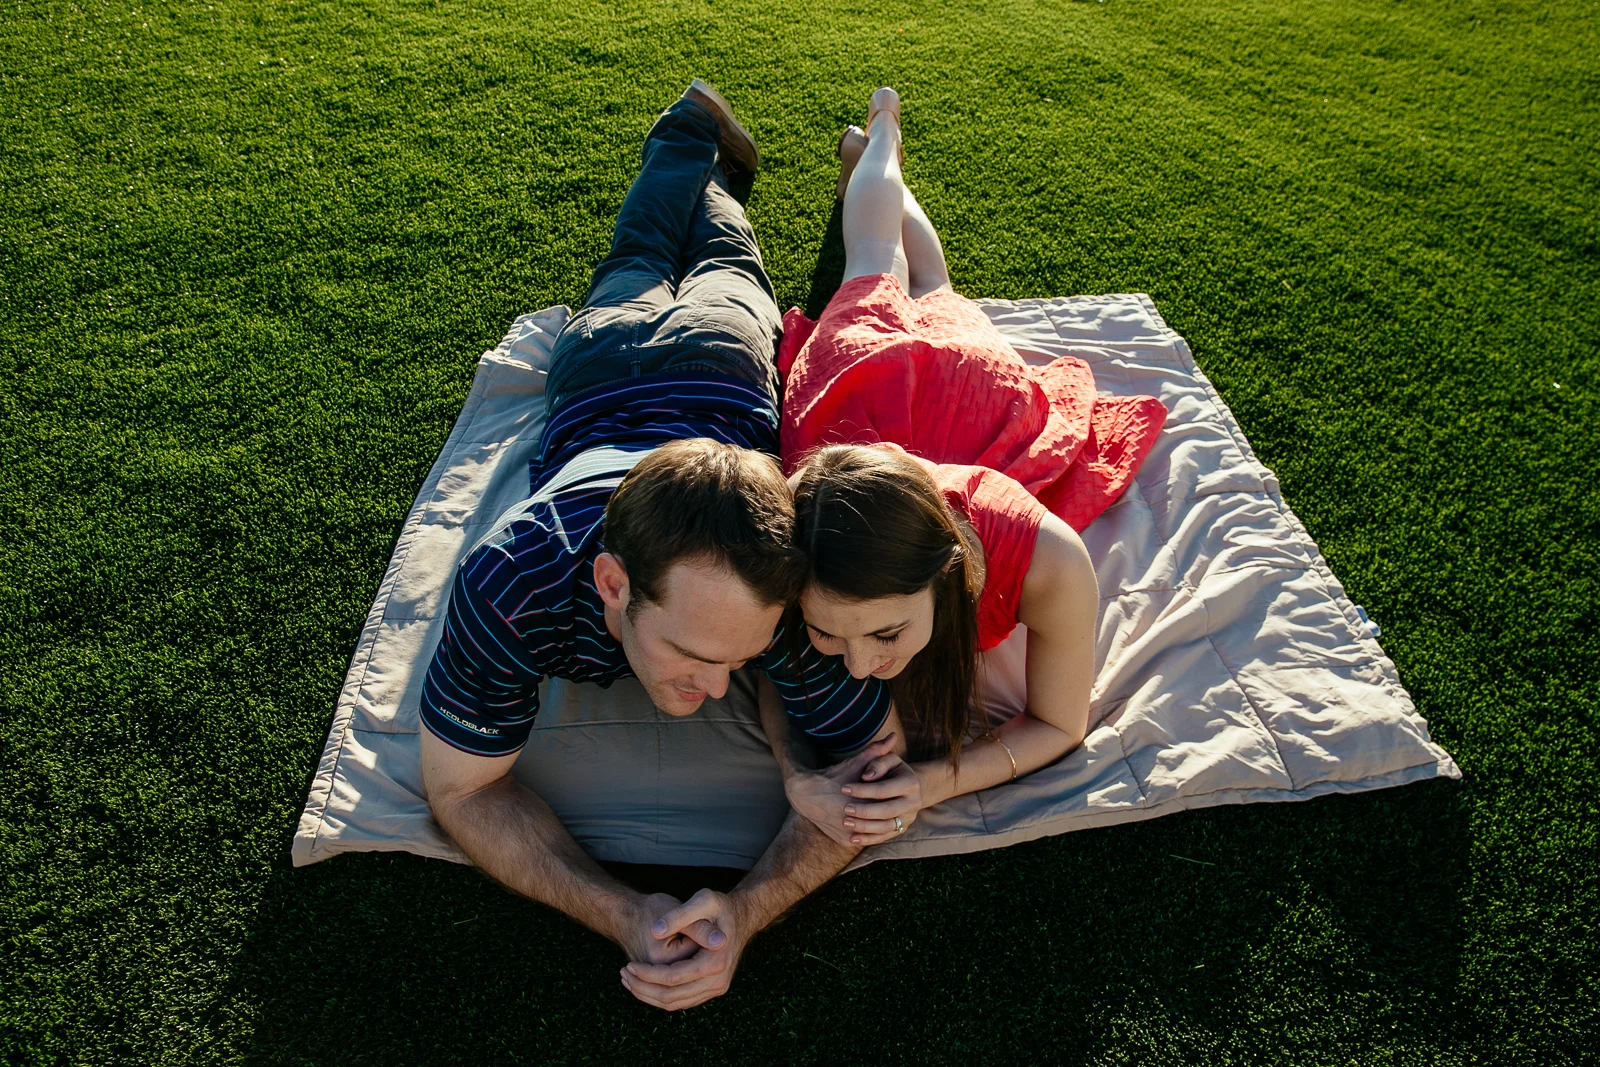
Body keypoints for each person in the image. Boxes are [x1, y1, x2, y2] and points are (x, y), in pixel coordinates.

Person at [418, 81, 910, 1013]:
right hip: (618, 368)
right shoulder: (513, 580)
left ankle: (695, 144)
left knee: (670, 257)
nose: (719, 690)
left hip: (700, 362)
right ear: (612, 581)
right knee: (680, 259)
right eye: (692, 652)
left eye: (739, 659)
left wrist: (749, 912)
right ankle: (694, 148)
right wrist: (620, 912)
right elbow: (460, 789)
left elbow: (873, 775)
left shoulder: (784, 586)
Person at [762, 88, 1167, 847]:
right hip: (860, 411)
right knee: (890, 269)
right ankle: (876, 151)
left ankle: (884, 132)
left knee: (918, 279)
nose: (861, 666)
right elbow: (769, 670)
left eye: (885, 631)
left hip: (946, 390)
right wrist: (795, 772)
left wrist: (934, 782)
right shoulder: (803, 533)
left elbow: (1060, 722)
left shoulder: (1043, 557)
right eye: (828, 633)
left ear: (948, 570)